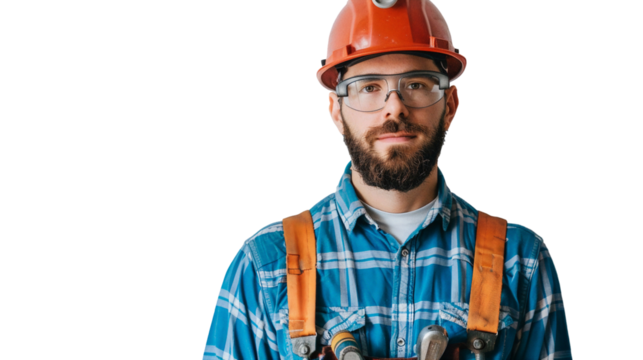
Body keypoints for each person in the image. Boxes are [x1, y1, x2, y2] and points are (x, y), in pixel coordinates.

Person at [203, 0, 572, 359]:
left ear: (451, 106)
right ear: (336, 110)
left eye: (416, 84)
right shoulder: (266, 265)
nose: (394, 106)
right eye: (369, 86)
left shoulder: (519, 259)